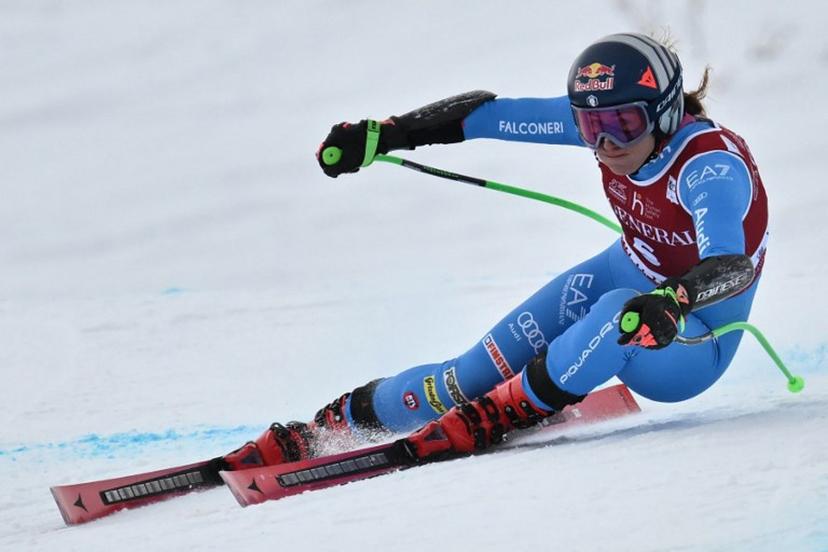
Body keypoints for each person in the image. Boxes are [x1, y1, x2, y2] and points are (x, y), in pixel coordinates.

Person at [215, 32, 768, 468]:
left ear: (665, 112)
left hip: (693, 339)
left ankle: (507, 411)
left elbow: (731, 265)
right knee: (464, 378)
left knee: (619, 312)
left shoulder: (708, 167)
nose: (604, 143)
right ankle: (330, 428)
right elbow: (484, 114)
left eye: (623, 124)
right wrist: (385, 134)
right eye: (589, 125)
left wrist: (673, 299)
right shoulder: (610, 124)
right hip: (625, 276)